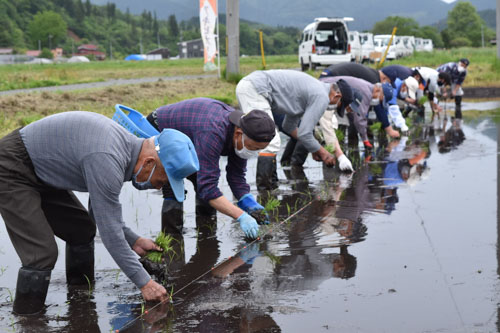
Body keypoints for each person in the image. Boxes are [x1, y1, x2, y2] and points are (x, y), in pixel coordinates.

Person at [0, 111, 199, 315]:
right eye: (164, 179)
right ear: (149, 162)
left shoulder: (125, 153)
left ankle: (80, 299)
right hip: (13, 167)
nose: (160, 186)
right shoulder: (108, 157)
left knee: (82, 230)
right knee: (41, 254)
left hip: (42, 171)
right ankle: (28, 321)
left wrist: (135, 241)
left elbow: (102, 213)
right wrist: (145, 283)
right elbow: (110, 232)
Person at [146, 98, 276, 239]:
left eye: (259, 150)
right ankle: (172, 241)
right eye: (253, 148)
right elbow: (208, 187)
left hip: (192, 137)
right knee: (174, 182)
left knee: (201, 181)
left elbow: (236, 176)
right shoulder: (213, 132)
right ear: (239, 134)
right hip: (159, 129)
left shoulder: (242, 133)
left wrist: (248, 201)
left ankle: (206, 236)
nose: (253, 153)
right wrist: (240, 215)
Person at [236, 69, 341, 189]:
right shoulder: (322, 95)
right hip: (256, 90)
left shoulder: (311, 92)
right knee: (270, 139)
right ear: (337, 95)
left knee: (269, 139)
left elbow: (289, 127)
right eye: (339, 105)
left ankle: (272, 183)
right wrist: (324, 153)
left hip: (252, 87)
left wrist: (314, 148)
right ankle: (265, 191)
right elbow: (305, 134)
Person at [320, 76, 399, 145]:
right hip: (326, 92)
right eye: (380, 99)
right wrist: (365, 139)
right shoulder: (366, 92)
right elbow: (360, 119)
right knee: (331, 123)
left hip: (326, 88)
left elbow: (355, 114)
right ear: (378, 91)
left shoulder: (367, 87)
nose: (378, 102)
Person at [319, 62, 392, 85]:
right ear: (384, 78)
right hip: (333, 75)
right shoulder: (374, 80)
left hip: (328, 71)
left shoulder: (372, 72)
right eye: (388, 83)